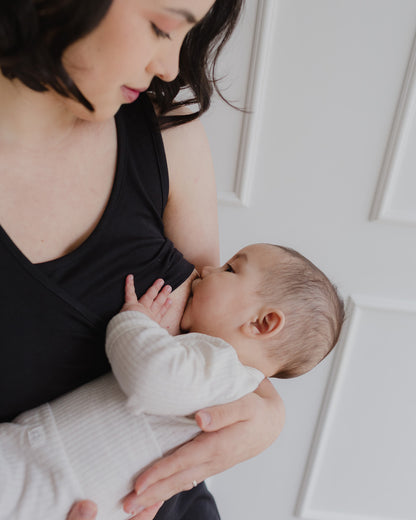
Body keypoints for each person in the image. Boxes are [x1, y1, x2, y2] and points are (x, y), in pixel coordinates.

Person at [0, 2, 286, 520]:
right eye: (162, 26)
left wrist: (268, 416)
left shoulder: (168, 137)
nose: (170, 68)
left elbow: (225, 346)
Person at [0, 243, 345, 520]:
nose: (206, 269)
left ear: (262, 323)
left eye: (229, 269)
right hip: (48, 474)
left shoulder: (225, 371)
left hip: (49, 484)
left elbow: (150, 379)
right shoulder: (221, 376)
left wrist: (134, 320)